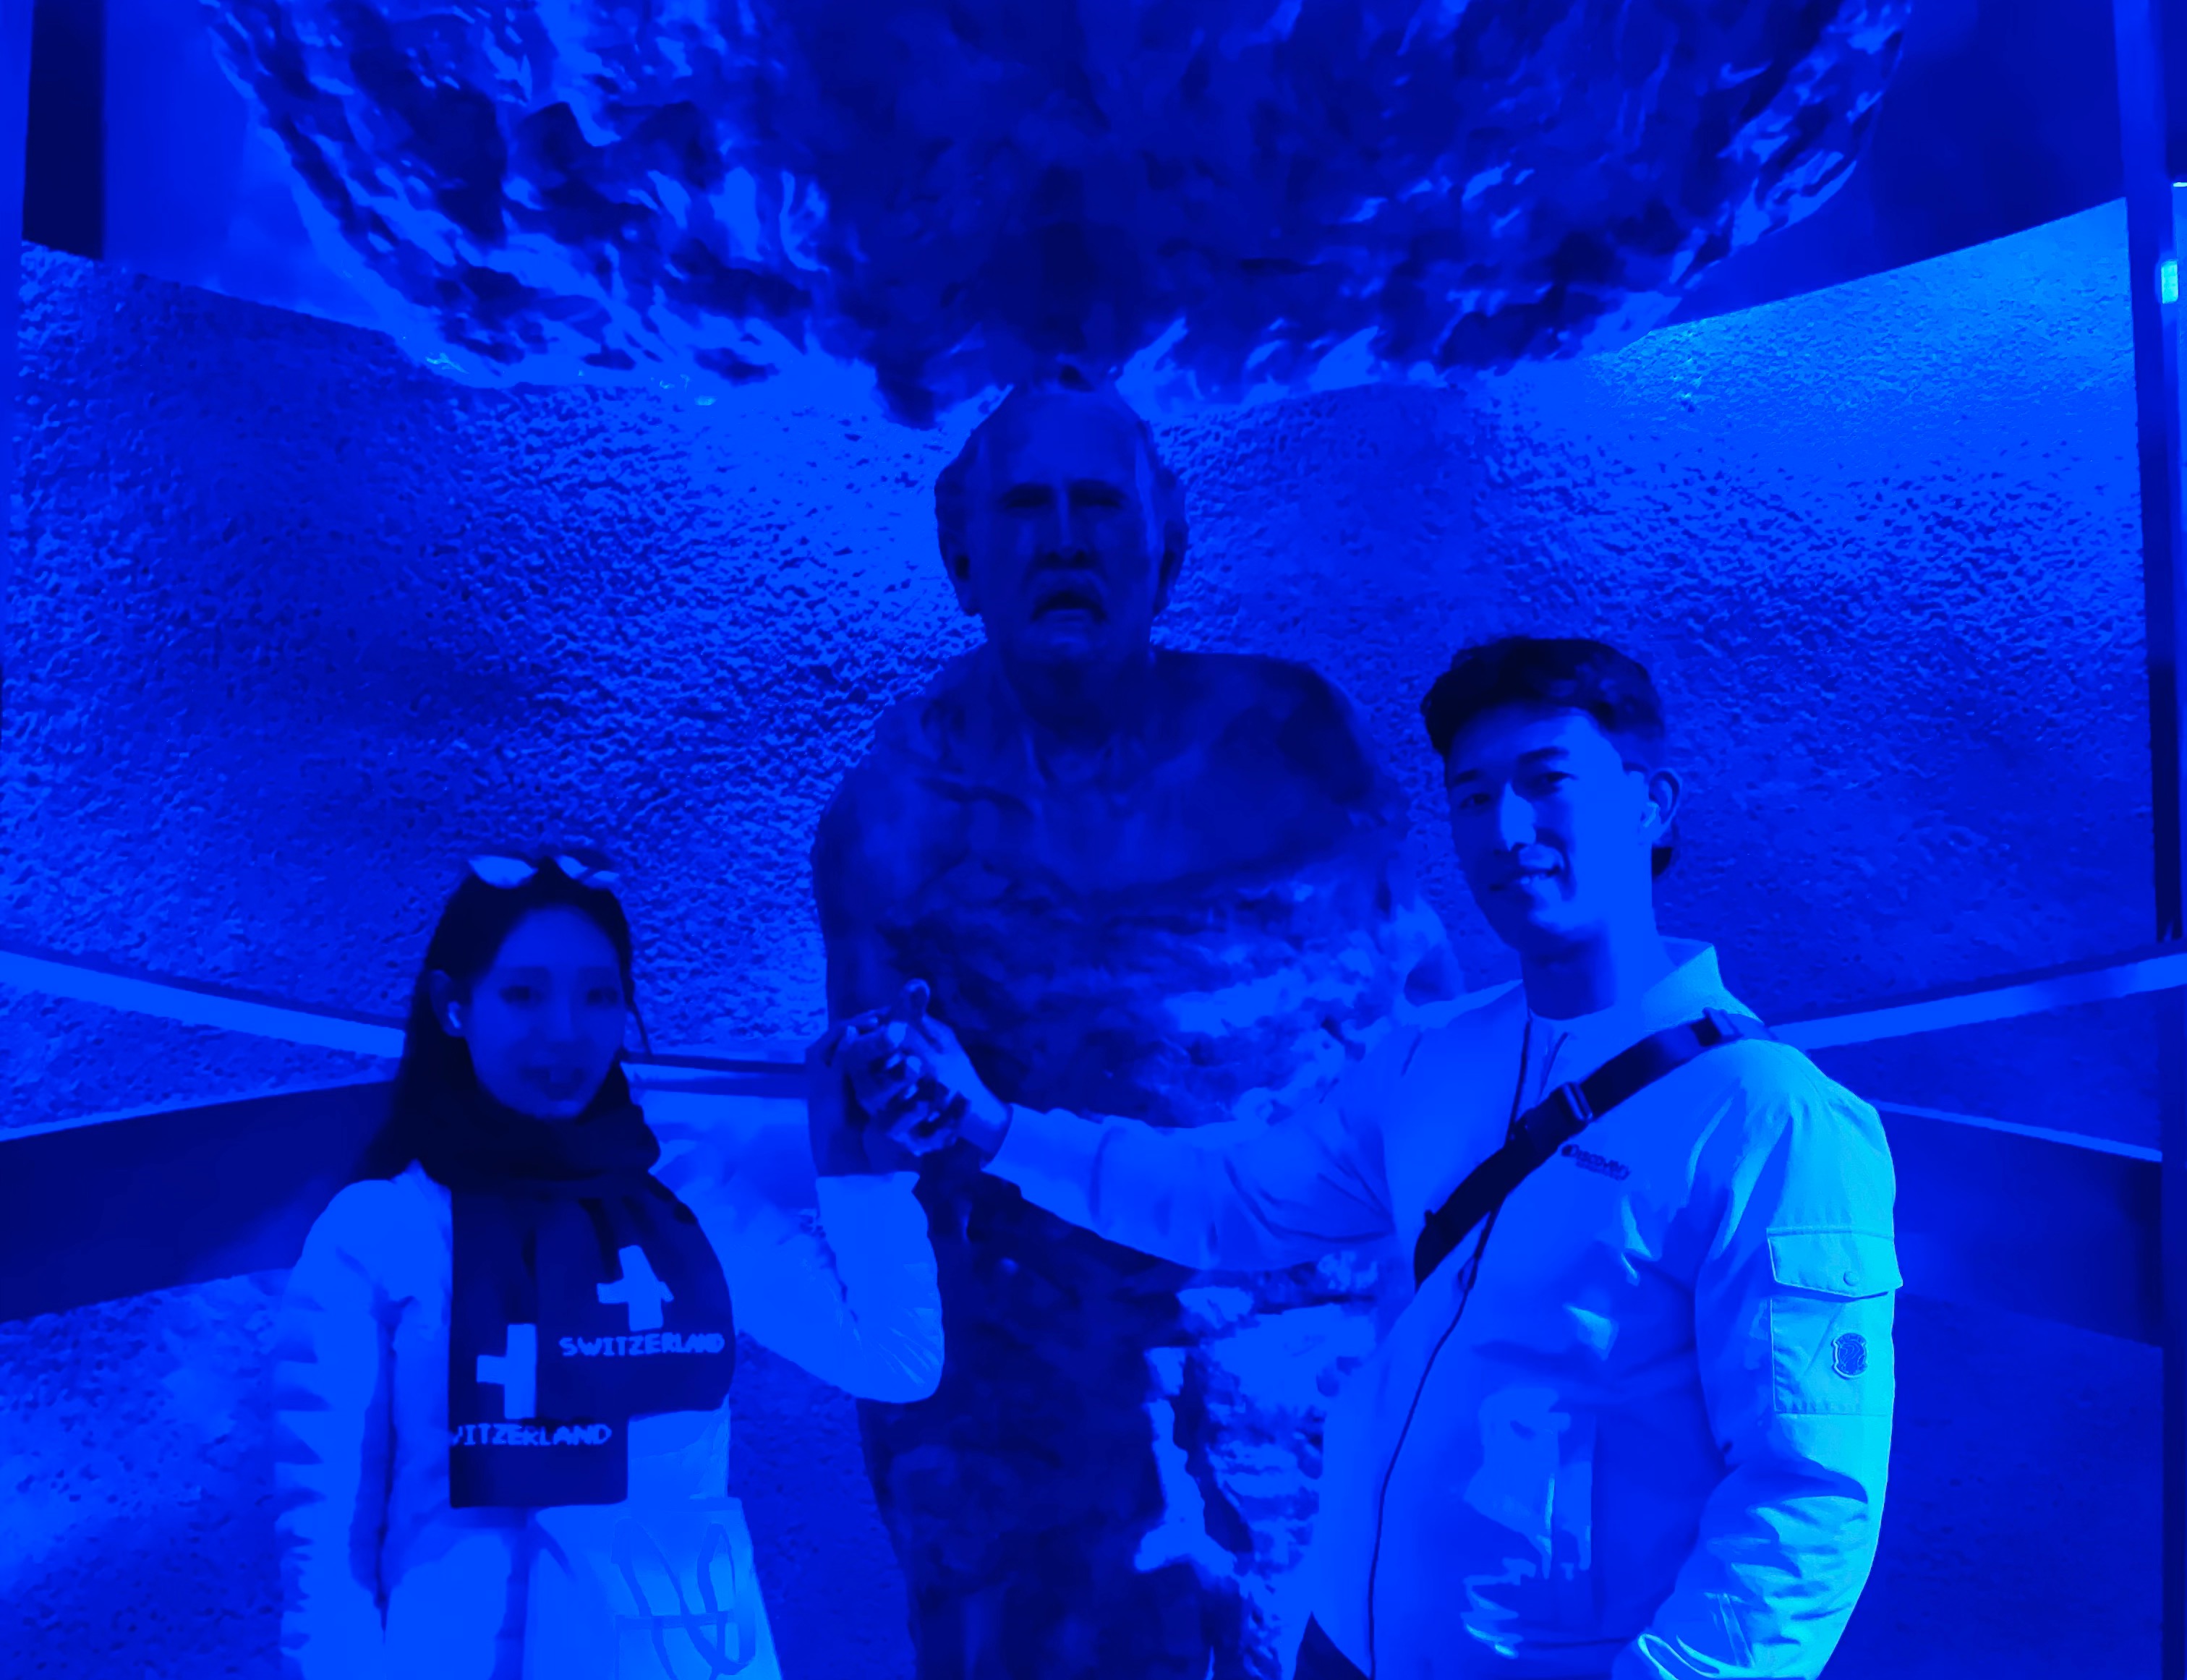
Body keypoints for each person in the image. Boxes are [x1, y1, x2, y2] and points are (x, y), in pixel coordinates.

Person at [843, 636, 1901, 1680]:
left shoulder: (1770, 1120)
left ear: (1652, 805)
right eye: (1473, 795)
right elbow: (1228, 1199)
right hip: (1341, 1647)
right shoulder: (1434, 1059)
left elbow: (1808, 1495)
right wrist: (997, 1126)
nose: (1507, 828)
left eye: (1547, 780)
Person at [812, 361, 1461, 1677]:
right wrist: (882, 1100)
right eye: (1027, 506)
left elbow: (1425, 1017)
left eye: (1099, 503)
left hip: (1292, 1345)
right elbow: (874, 1148)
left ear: (1166, 546)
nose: (1065, 539)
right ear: (962, 558)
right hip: (1025, 1380)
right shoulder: (896, 817)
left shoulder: (1290, 751)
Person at [271, 850, 942, 1680]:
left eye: (598, 995)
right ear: (453, 1005)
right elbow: (326, 1557)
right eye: (524, 994)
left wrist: (859, 1166)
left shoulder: (686, 1194)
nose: (565, 1031)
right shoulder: (380, 1231)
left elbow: (893, 1358)